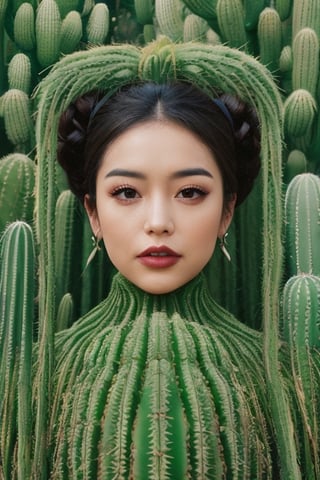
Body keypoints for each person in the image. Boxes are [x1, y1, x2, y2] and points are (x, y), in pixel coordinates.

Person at [47, 81, 283, 479]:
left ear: (227, 210)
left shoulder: (291, 378)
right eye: (126, 192)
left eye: (190, 192)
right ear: (92, 212)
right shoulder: (30, 379)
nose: (158, 223)